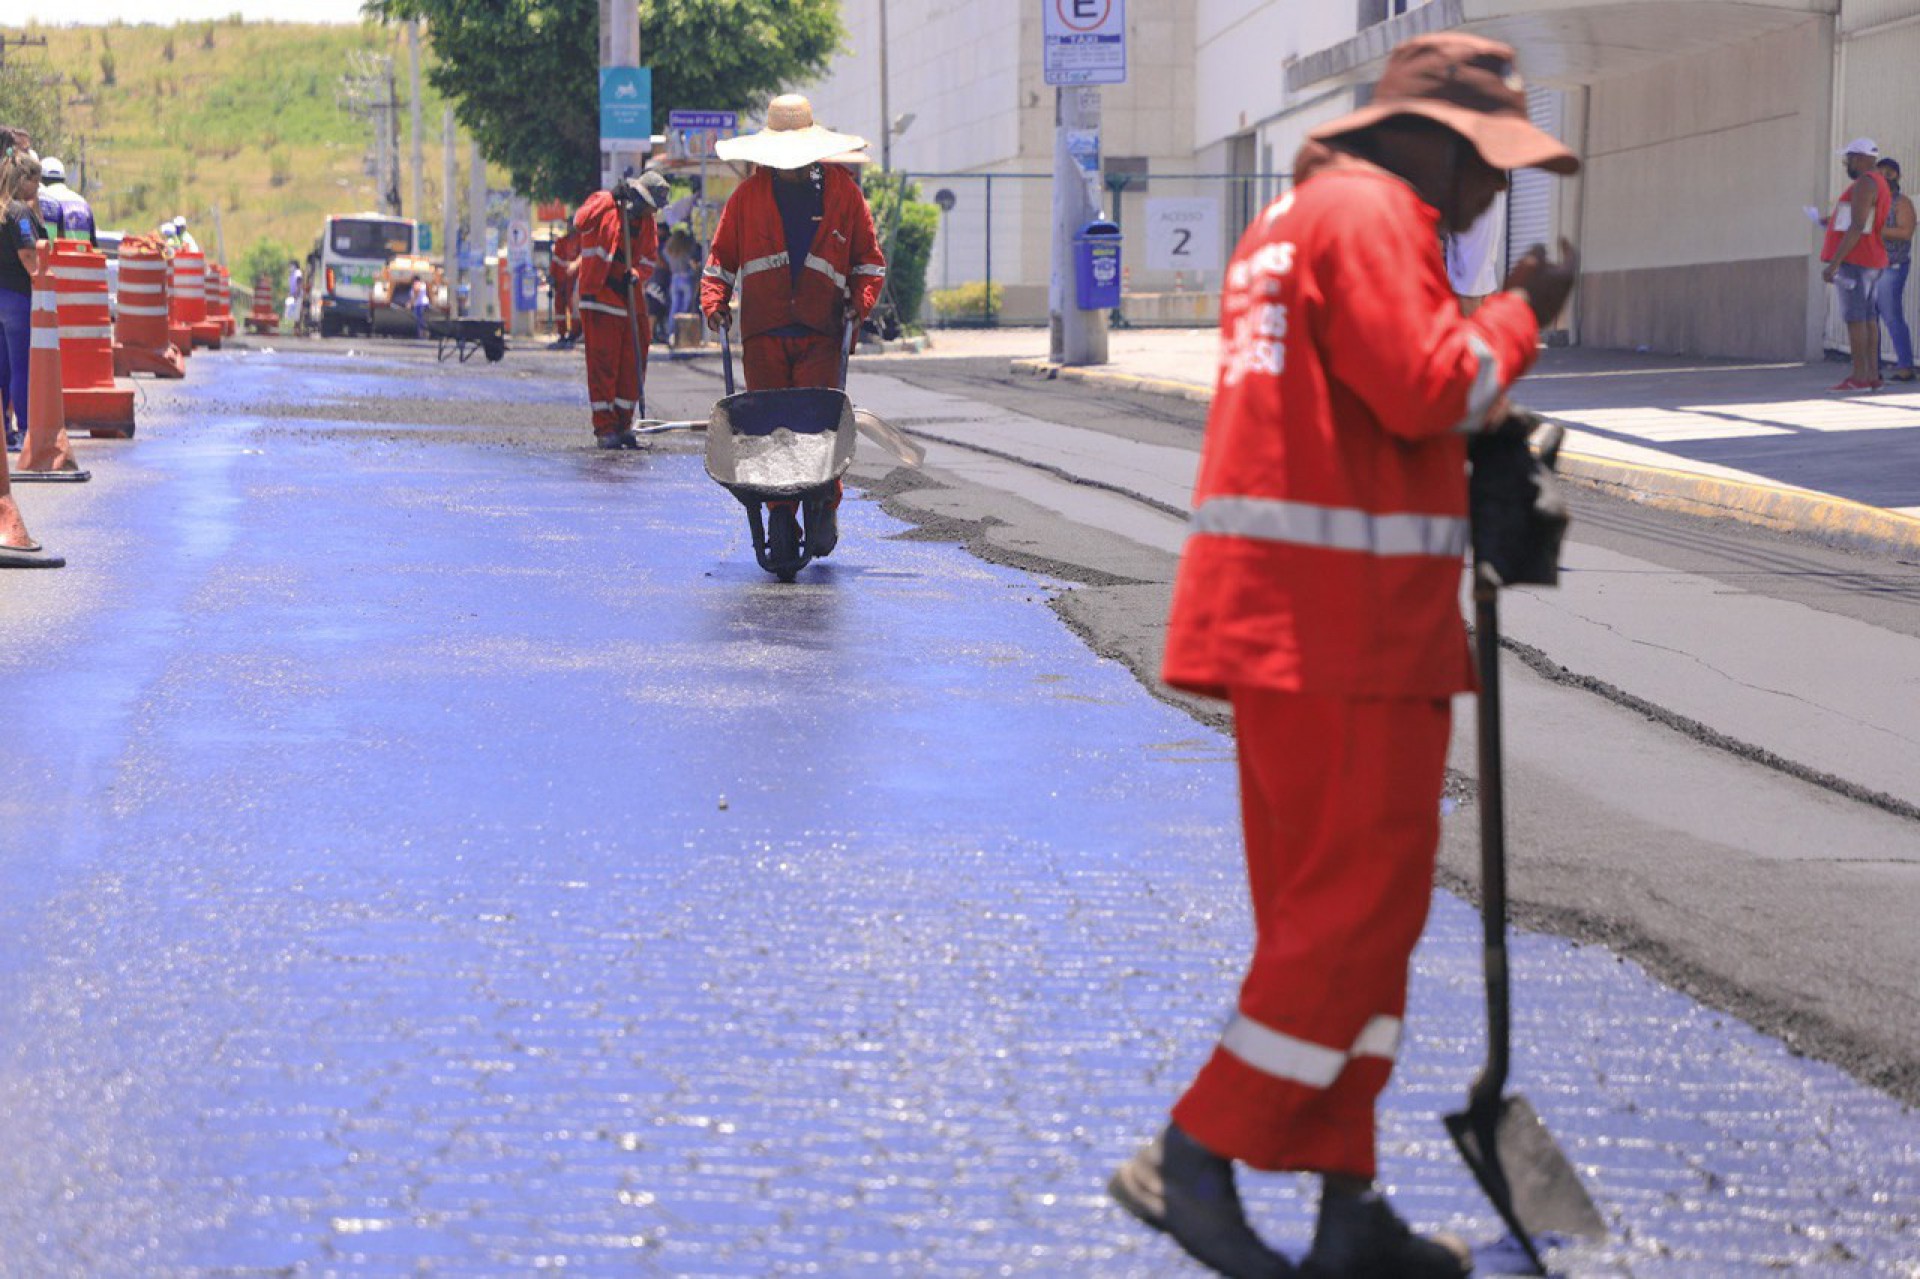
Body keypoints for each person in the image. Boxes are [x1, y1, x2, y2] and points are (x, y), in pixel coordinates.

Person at [1106, 33, 1579, 1279]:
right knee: (1359, 912)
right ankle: (1192, 1153)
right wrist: (1525, 311)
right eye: (1489, 167)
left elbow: (1364, 401)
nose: (1490, 196)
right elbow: (1429, 383)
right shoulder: (1374, 214)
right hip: (1346, 630)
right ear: (1436, 140)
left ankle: (1344, 1202)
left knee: (1324, 925)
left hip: (1293, 622)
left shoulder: (1296, 219)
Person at [699, 93, 887, 391]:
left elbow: (868, 262)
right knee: (766, 423)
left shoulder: (844, 195)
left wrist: (859, 305)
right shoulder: (746, 198)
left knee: (814, 426)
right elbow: (721, 259)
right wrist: (714, 304)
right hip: (764, 332)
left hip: (821, 331)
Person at [572, 170, 668, 449]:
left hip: (630, 299)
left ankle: (624, 424)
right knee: (604, 365)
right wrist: (610, 198)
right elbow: (580, 221)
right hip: (600, 296)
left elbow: (650, 258)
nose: (653, 211)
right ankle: (605, 428)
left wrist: (637, 273)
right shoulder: (605, 203)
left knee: (634, 362)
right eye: (651, 205)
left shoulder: (647, 222)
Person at [1821, 138, 1892, 393]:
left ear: (1862, 158)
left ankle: (1859, 376)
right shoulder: (1880, 183)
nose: (1847, 164)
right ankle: (1872, 375)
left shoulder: (1864, 182)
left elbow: (1858, 225)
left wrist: (1835, 263)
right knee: (1869, 318)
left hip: (1857, 260)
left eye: (1850, 158)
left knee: (1856, 319)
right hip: (1871, 259)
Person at [0, 150, 46, 452]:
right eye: (36, 181)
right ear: (24, 180)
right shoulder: (18, 213)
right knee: (21, 367)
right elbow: (29, 253)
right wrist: (40, 277)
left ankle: (4, 432)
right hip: (16, 296)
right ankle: (27, 429)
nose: (38, 188)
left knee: (2, 368)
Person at [1874, 157, 1915, 383]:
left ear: (1897, 176)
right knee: (1870, 319)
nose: (1885, 177)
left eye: (1889, 173)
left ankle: (1905, 366)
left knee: (1892, 317)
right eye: (1880, 173)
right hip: (1871, 267)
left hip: (1892, 267)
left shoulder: (1902, 203)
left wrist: (1876, 230)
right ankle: (1871, 367)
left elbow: (1905, 233)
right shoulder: (1874, 203)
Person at [36, 157, 96, 247]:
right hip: (81, 259)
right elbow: (93, 243)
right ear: (64, 178)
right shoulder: (82, 203)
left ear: (40, 179)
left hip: (54, 260)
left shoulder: (44, 201)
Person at [663, 226, 699, 336]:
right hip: (686, 278)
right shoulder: (687, 249)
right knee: (685, 308)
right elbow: (693, 265)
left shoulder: (668, 250)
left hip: (674, 278)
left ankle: (671, 332)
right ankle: (683, 333)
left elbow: (665, 257)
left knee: (674, 307)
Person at [548, 224, 581, 348]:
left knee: (574, 308)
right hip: (561, 281)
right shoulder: (561, 242)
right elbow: (555, 261)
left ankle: (574, 333)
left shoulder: (581, 240)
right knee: (560, 308)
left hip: (573, 281)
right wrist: (552, 277)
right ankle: (562, 334)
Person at [284, 259, 304, 329]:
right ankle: (294, 327)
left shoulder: (297, 272)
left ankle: (297, 328)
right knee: (292, 313)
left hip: (297, 296)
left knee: (296, 313)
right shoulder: (292, 274)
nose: (290, 267)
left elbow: (299, 284)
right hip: (293, 295)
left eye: (291, 265)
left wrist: (296, 294)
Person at [409, 274, 429, 340]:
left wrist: (411, 303)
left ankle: (423, 335)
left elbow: (416, 293)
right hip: (422, 304)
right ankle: (423, 334)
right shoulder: (422, 284)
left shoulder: (417, 284)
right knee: (420, 319)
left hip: (420, 304)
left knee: (419, 320)